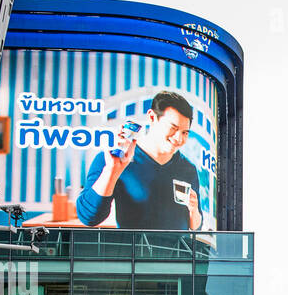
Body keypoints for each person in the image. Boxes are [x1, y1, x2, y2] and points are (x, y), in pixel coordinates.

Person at [76, 91, 205, 231]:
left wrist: (194, 210)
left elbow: (196, 227)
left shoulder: (188, 168)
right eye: (173, 128)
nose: (179, 139)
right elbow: (89, 218)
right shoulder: (113, 160)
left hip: (179, 251)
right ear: (152, 117)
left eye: (185, 132)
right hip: (133, 251)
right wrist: (111, 171)